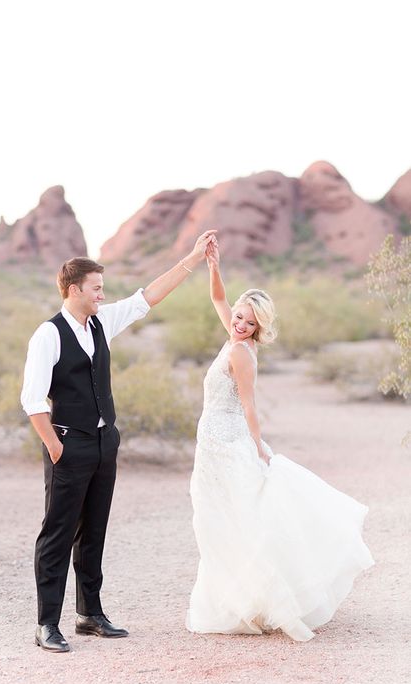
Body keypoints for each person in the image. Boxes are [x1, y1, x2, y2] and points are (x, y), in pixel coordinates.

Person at [21, 229, 216, 653]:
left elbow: (148, 297)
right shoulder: (48, 335)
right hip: (68, 446)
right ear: (74, 290)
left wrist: (193, 258)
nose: (103, 296)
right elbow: (32, 401)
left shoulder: (102, 322)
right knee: (57, 533)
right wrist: (57, 448)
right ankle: (46, 625)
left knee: (94, 530)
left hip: (104, 442)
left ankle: (89, 615)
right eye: (96, 289)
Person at [186, 240, 374, 642]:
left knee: (236, 522)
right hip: (213, 446)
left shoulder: (240, 353)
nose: (239, 324)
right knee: (222, 520)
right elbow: (218, 296)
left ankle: (263, 603)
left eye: (249, 322)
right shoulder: (234, 337)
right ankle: (248, 602)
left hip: (228, 444)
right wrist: (213, 265)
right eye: (239, 317)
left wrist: (257, 447)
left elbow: (250, 406)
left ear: (258, 327)